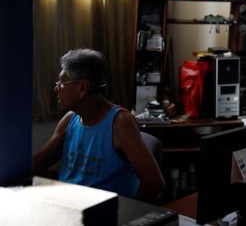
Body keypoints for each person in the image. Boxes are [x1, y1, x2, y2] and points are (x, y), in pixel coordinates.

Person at [32, 48, 165, 202]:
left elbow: (155, 184)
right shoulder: (70, 120)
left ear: (82, 87)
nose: (57, 88)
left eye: (62, 82)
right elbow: (37, 164)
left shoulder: (120, 123)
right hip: (68, 208)